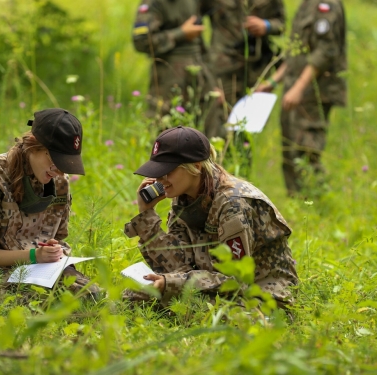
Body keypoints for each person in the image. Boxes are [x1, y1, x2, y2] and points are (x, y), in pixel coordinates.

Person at [123, 126, 298, 309]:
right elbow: (176, 265)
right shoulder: (184, 197)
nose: (160, 180)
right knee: (136, 294)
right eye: (158, 171)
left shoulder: (233, 204)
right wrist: (146, 215)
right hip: (218, 288)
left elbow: (236, 280)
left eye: (168, 171)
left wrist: (172, 283)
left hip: (261, 296)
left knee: (187, 307)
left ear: (196, 167)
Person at [0, 108, 98, 305]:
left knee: (91, 297)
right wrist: (33, 255)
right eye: (55, 161)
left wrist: (53, 250)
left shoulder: (58, 182)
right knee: (35, 307)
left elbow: (58, 236)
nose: (59, 171)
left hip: (39, 269)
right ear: (34, 146)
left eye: (65, 163)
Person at [256, 0, 346, 196]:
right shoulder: (307, 4)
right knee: (290, 150)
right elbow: (296, 53)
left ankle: (318, 201)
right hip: (296, 90)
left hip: (314, 92)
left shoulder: (326, 5)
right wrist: (273, 81)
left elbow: (325, 51)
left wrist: (298, 87)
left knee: (307, 150)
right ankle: (297, 201)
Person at [204, 0, 286, 176]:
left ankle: (242, 183)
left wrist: (267, 26)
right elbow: (194, 21)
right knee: (217, 131)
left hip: (254, 73)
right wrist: (209, 79)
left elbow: (282, 23)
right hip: (221, 70)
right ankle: (212, 182)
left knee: (245, 134)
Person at [132, 0, 222, 136]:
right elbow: (141, 41)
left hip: (200, 73)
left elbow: (199, 44)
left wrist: (212, 80)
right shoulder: (153, 3)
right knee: (165, 132)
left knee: (210, 132)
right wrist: (181, 33)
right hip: (169, 76)